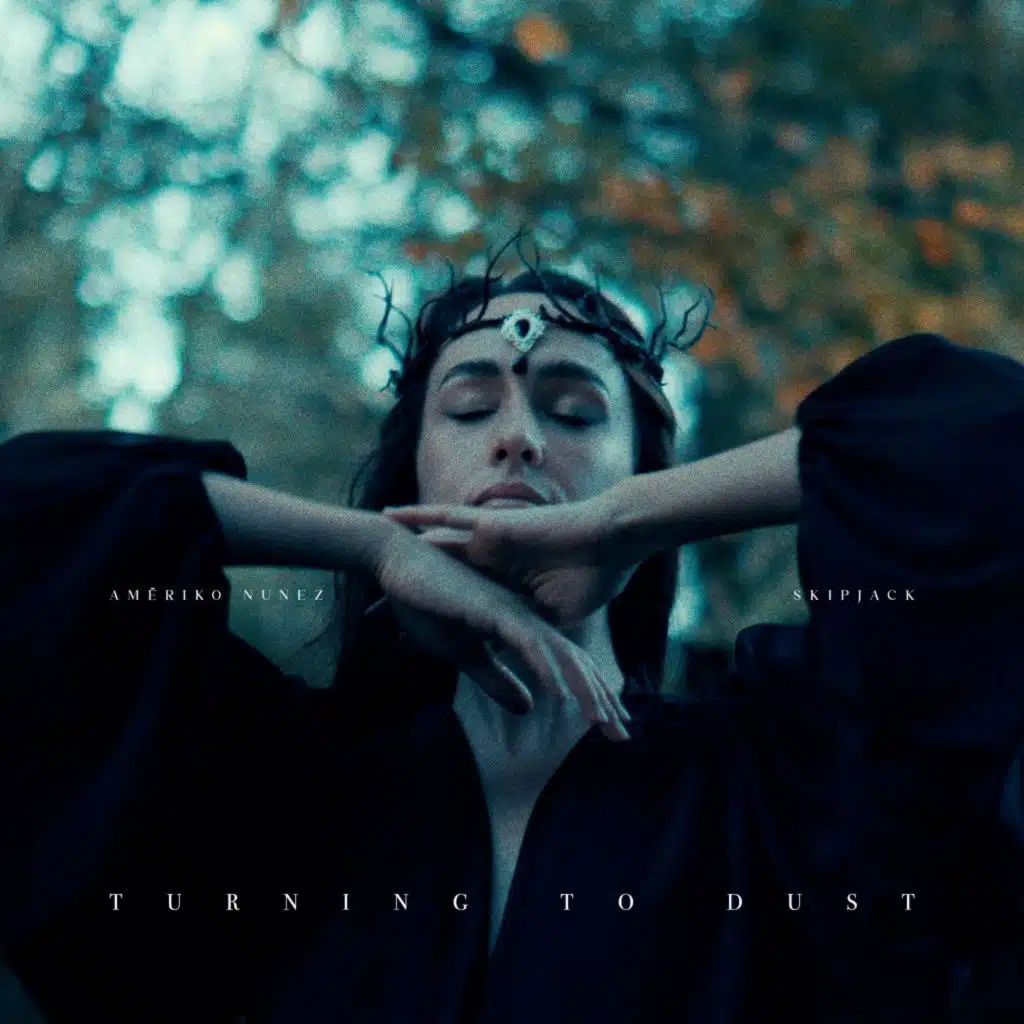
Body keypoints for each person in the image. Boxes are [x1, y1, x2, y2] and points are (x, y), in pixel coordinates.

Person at [0, 246, 1022, 1024]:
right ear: (412, 469)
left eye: (575, 413)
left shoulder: (783, 782)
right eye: (468, 405)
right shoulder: (271, 788)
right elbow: (30, 518)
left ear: (644, 476)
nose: (519, 437)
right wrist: (373, 546)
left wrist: (627, 519)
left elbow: (983, 446)